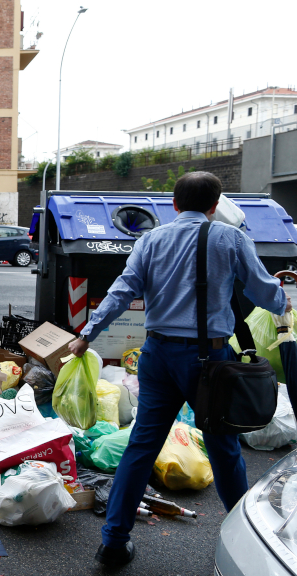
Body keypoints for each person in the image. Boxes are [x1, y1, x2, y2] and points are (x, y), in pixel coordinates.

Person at [67, 171, 292, 566]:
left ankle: (114, 542)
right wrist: (281, 297)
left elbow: (122, 290)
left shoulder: (150, 239)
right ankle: (242, 542)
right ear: (214, 204)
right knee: (224, 450)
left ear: (174, 204)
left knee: (140, 447)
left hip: (156, 357)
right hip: (211, 363)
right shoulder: (230, 238)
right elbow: (262, 294)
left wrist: (87, 335)